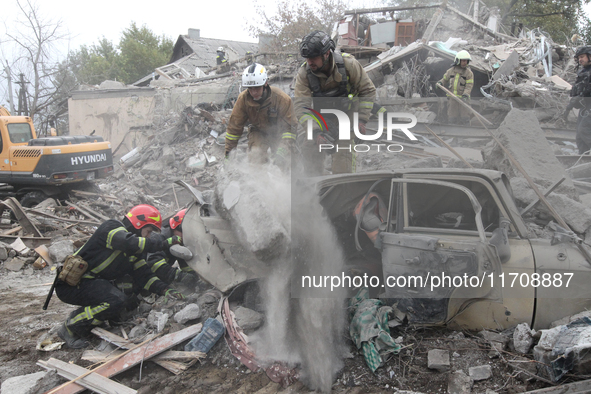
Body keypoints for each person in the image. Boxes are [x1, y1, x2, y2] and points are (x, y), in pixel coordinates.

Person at [55, 204, 184, 349]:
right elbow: (130, 243)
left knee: (130, 291)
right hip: (71, 285)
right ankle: (70, 328)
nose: (148, 236)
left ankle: (101, 318)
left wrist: (165, 289)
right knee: (115, 300)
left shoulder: (134, 251)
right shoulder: (111, 228)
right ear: (138, 223)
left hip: (93, 283)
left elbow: (145, 276)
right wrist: (163, 243)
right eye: (148, 231)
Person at [294, 30, 376, 175]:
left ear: (326, 54)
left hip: (347, 117)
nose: (309, 62)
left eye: (313, 57)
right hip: (320, 119)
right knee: (309, 148)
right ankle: (315, 190)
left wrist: (362, 120)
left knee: (343, 158)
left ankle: (342, 191)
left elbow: (367, 91)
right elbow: (302, 107)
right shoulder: (304, 74)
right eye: (307, 58)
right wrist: (316, 132)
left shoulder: (349, 65)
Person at [224, 63, 297, 167]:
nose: (254, 92)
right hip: (258, 132)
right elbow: (234, 129)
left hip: (280, 134)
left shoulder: (281, 98)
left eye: (257, 88)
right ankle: (260, 181)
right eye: (250, 88)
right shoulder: (243, 99)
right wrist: (228, 154)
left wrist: (283, 149)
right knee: (256, 158)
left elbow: (291, 127)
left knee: (284, 162)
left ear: (265, 83)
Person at [147, 209, 197, 285]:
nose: (185, 237)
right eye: (185, 233)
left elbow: (185, 262)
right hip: (146, 281)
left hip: (159, 280)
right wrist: (177, 275)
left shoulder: (177, 238)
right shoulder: (158, 236)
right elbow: (153, 263)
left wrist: (194, 277)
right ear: (175, 227)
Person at [564, 46, 591, 154]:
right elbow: (579, 91)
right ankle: (584, 161)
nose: (580, 59)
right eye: (579, 57)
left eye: (582, 57)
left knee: (584, 130)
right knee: (579, 136)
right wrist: (569, 107)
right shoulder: (583, 72)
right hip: (585, 107)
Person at [437, 50, 474, 125]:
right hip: (452, 99)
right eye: (463, 61)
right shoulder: (450, 71)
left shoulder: (469, 73)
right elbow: (445, 79)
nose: (465, 63)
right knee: (452, 118)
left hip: (464, 99)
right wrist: (440, 83)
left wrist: (466, 94)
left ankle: (466, 133)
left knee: (465, 118)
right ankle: (452, 133)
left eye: (466, 61)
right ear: (458, 61)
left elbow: (469, 86)